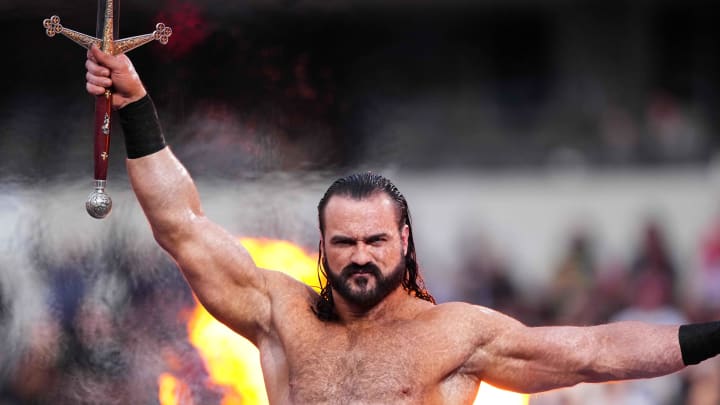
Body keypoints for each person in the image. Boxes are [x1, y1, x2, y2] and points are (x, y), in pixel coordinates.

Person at [84, 45, 720, 404]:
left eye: (375, 241)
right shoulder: (280, 313)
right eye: (345, 242)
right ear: (324, 247)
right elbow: (182, 226)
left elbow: (592, 353)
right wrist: (136, 103)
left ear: (403, 241)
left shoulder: (456, 333)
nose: (361, 256)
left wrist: (714, 337)